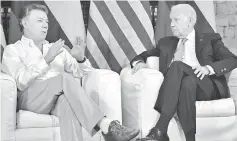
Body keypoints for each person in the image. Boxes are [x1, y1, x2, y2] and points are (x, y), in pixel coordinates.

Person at [2, 4, 140, 141]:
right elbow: (20, 82)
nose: (45, 25)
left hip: (57, 98)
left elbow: (83, 73)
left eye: (46, 21)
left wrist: (80, 59)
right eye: (39, 21)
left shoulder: (58, 48)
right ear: (25, 23)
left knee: (67, 104)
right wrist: (46, 59)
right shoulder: (13, 50)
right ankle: (106, 125)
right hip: (30, 100)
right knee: (63, 78)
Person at [131, 4, 237, 141]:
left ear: (190, 21)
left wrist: (208, 69)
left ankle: (160, 129)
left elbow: (232, 60)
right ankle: (189, 138)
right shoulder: (166, 43)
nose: (172, 24)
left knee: (177, 66)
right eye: (170, 20)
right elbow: (142, 55)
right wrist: (139, 63)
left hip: (206, 86)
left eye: (176, 20)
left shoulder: (210, 39)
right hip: (182, 88)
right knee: (187, 82)